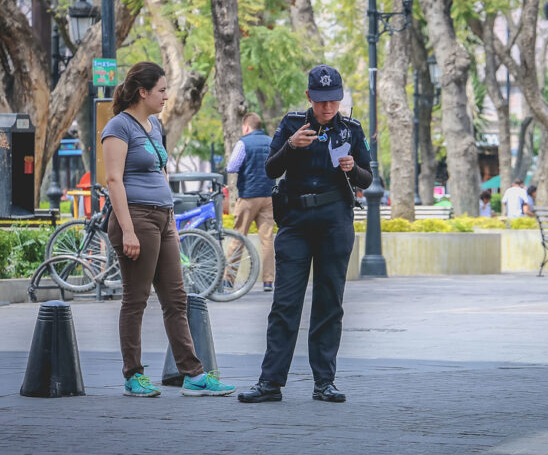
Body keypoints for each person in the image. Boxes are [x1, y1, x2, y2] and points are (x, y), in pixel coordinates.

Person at [238, 64, 372, 404]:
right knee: (285, 303)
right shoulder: (292, 124)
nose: (327, 107)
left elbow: (367, 178)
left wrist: (352, 168)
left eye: (333, 101)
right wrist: (291, 146)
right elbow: (271, 169)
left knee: (329, 303)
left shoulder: (351, 130)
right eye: (321, 100)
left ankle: (324, 382)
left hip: (334, 221)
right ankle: (270, 383)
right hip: (296, 221)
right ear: (309, 96)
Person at [102, 61, 235, 398]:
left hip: (163, 219)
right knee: (136, 300)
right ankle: (133, 375)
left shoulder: (154, 126)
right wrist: (128, 231)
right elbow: (114, 180)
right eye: (161, 90)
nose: (165, 97)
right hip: (136, 218)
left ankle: (194, 376)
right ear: (142, 92)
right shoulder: (119, 126)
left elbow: (161, 171)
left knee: (176, 299)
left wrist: (171, 219)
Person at [226, 112, 275, 292]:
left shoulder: (243, 143)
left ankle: (228, 280)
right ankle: (268, 281)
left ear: (246, 127)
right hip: (268, 196)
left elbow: (232, 167)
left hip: (248, 196)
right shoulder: (271, 142)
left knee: (238, 237)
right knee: (267, 240)